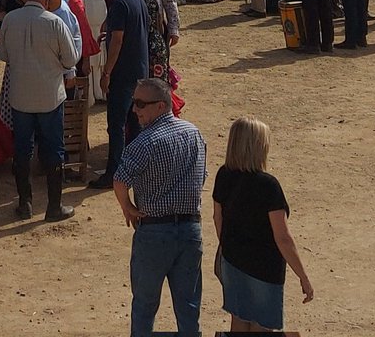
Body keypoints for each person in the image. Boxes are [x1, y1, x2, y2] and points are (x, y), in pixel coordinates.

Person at [112, 77, 206, 337]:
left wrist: (128, 207)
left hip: (153, 232)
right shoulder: (194, 133)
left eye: (141, 104)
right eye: (134, 103)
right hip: (190, 230)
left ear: (161, 106)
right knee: (189, 307)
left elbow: (119, 181)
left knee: (144, 306)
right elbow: (201, 176)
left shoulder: (144, 142)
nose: (135, 110)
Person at [213, 117, 313, 333]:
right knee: (262, 328)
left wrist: (228, 248)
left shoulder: (224, 175)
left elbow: (217, 218)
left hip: (232, 262)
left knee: (238, 321)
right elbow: (283, 238)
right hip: (264, 269)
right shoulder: (268, 186)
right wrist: (303, 276)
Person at [0, 0, 78, 222]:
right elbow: (70, 60)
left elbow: (3, 54)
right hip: (50, 96)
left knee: (22, 150)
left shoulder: (10, 19)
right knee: (54, 149)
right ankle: (54, 206)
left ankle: (25, 204)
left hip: (21, 95)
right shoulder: (55, 22)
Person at [92, 0, 150, 187]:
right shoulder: (138, 0)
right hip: (139, 71)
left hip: (122, 73)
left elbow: (117, 40)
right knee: (135, 123)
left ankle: (114, 173)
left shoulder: (120, 3)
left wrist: (107, 72)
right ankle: (134, 169)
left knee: (116, 125)